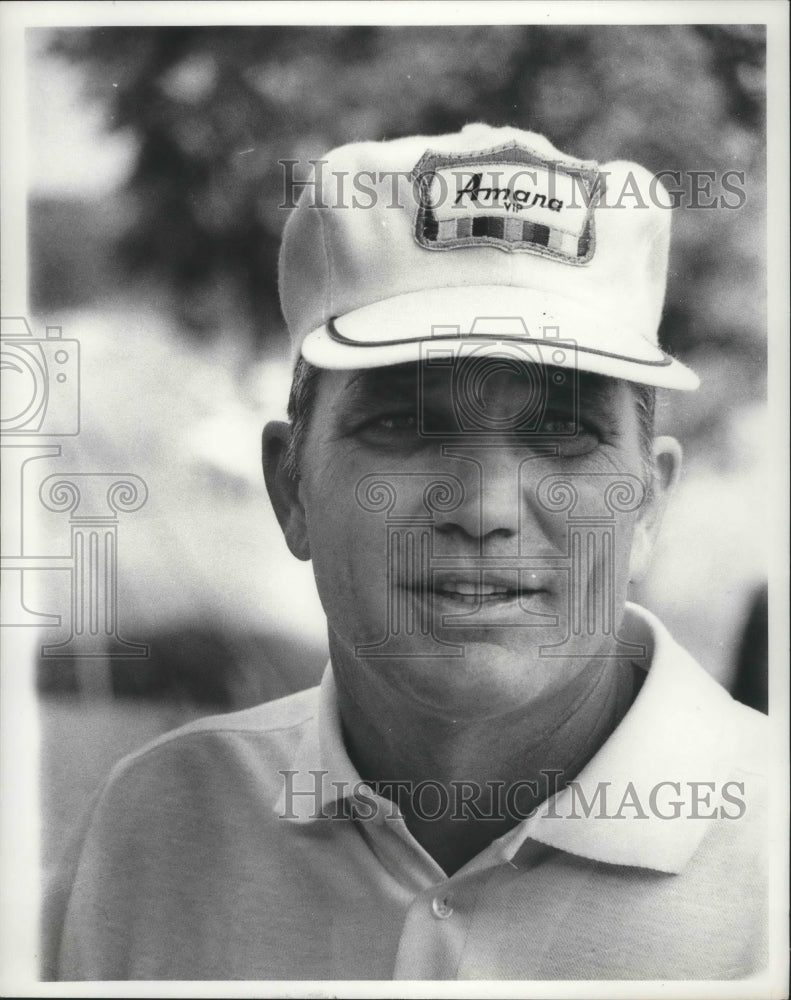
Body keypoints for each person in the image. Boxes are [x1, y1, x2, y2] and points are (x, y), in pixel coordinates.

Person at [44, 124, 767, 981]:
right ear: (291, 488)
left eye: (563, 431)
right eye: (401, 426)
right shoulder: (152, 828)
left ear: (645, 500)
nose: (484, 508)